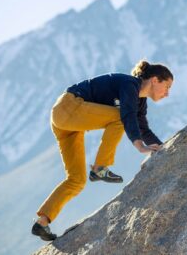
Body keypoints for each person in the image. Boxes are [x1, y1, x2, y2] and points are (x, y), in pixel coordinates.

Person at [31, 60, 173, 241]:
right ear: (154, 80)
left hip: (68, 123)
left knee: (77, 180)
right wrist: (140, 146)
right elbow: (127, 116)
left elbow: (142, 127)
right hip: (68, 107)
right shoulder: (130, 84)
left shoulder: (140, 102)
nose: (167, 93)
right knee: (120, 117)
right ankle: (100, 167)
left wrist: (164, 147)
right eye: (167, 86)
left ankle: (42, 222)